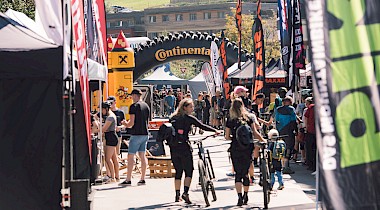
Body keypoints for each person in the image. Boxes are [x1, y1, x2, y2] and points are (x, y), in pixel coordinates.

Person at [169, 98, 219, 204]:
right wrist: (215, 130)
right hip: (184, 147)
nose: (192, 108)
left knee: (178, 171)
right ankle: (185, 193)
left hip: (173, 148)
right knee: (189, 170)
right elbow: (202, 126)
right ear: (185, 107)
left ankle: (177, 195)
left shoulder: (172, 118)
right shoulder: (188, 118)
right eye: (191, 106)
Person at [225, 98, 265, 206]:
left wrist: (234, 138)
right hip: (248, 147)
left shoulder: (230, 119)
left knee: (238, 174)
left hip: (235, 148)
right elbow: (255, 132)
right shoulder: (248, 117)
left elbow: (227, 136)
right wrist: (263, 140)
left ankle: (239, 197)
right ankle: (246, 195)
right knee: (246, 173)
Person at [120, 89, 150, 186]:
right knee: (142, 155)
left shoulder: (133, 106)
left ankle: (128, 179)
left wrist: (125, 123)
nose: (131, 98)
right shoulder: (146, 106)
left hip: (136, 134)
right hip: (145, 133)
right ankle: (143, 178)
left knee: (131, 155)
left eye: (132, 96)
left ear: (135, 95)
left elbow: (131, 124)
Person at [101, 101, 120, 183]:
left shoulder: (110, 117)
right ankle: (116, 176)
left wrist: (97, 128)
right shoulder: (110, 116)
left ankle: (112, 177)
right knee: (114, 158)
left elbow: (104, 129)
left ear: (106, 109)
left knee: (108, 158)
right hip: (110, 137)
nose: (101, 112)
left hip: (111, 137)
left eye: (102, 109)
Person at [304, 97, 316, 174]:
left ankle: (311, 164)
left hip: (310, 130)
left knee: (310, 149)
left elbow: (306, 118)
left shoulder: (311, 107)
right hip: (319, 132)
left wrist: (306, 127)